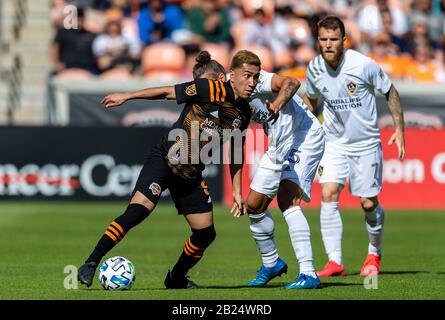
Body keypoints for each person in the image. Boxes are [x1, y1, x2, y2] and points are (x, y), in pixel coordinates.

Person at [77, 50, 260, 288]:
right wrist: (126, 96)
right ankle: (91, 263)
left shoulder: (244, 113)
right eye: (247, 76)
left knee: (206, 234)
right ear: (231, 75)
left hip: (191, 174)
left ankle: (175, 278)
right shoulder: (209, 88)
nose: (252, 83)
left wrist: (237, 190)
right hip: (165, 160)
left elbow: (236, 150)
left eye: (256, 78)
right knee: (138, 211)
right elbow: (165, 92)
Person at [303, 16, 405, 277]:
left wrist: (399, 129)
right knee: (328, 194)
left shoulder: (362, 65)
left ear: (343, 40)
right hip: (334, 142)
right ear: (318, 40)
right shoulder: (313, 68)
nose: (328, 44)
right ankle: (335, 262)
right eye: (323, 39)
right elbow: (313, 102)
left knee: (368, 204)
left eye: (333, 39)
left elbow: (390, 91)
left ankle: (374, 253)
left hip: (366, 143)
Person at [237, 70, 325, 289]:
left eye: (253, 75)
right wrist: (236, 189)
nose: (251, 80)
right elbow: (236, 143)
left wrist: (276, 104)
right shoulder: (230, 97)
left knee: (287, 199)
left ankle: (308, 273)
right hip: (277, 145)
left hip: (303, 136)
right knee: (254, 206)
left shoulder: (260, 80)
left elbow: (292, 83)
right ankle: (272, 263)